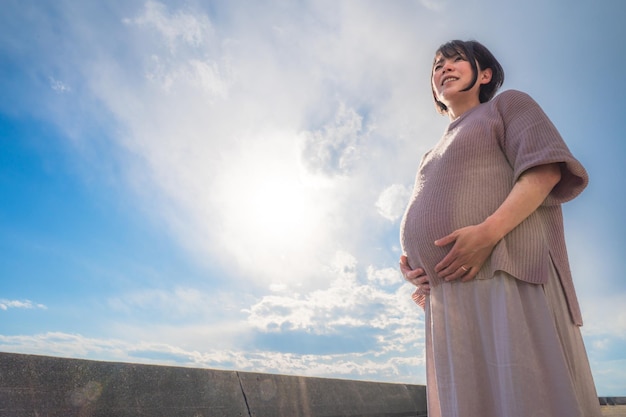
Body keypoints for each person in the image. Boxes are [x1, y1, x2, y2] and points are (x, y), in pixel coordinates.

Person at [399, 40, 601, 417]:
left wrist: (486, 234)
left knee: (524, 396)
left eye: (457, 60)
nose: (444, 67)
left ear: (485, 74)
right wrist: (413, 265)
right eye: (437, 65)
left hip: (505, 270)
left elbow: (544, 170)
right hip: (447, 295)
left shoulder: (506, 106)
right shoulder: (430, 152)